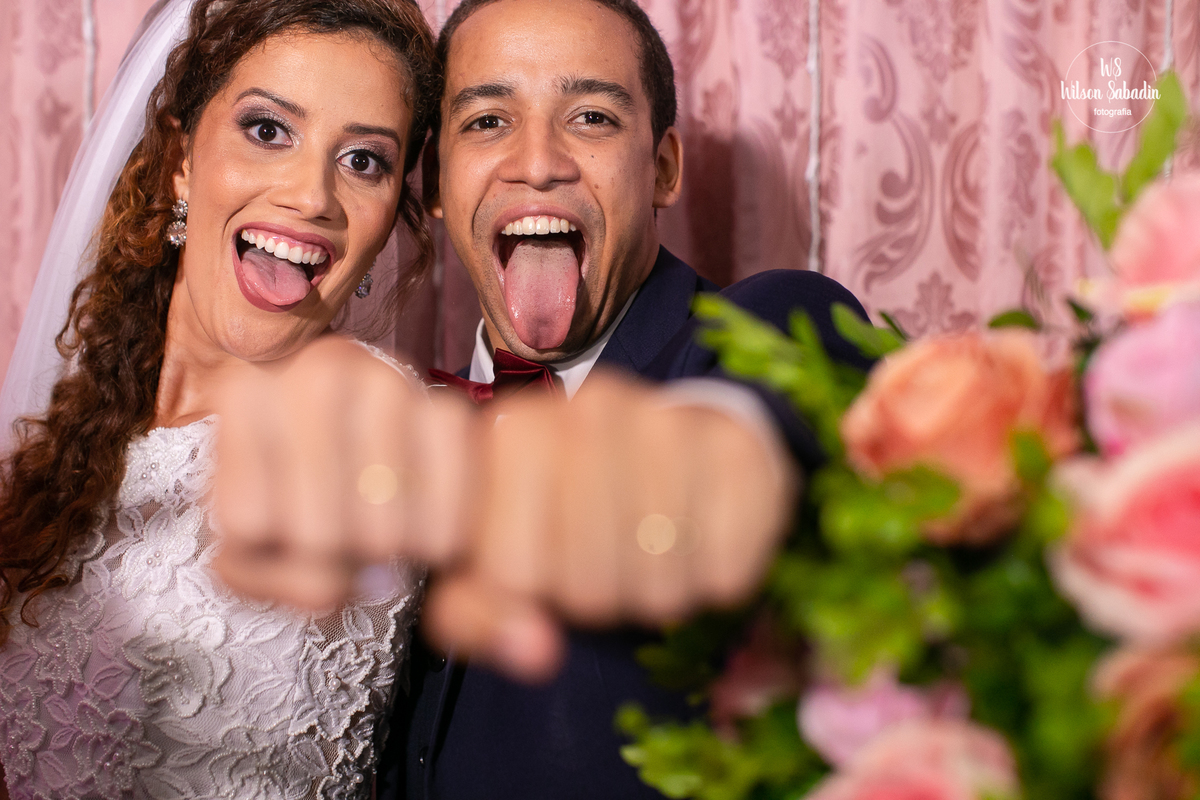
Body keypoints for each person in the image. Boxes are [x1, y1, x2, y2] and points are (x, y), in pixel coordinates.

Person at [211, 0, 873, 797]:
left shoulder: (772, 326)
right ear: (435, 184)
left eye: (591, 117)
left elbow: (742, 441)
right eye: (488, 120)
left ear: (661, 167)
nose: (537, 162)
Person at [0, 0, 443, 796]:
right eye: (268, 130)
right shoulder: (75, 443)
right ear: (179, 158)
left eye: (364, 161)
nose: (312, 196)